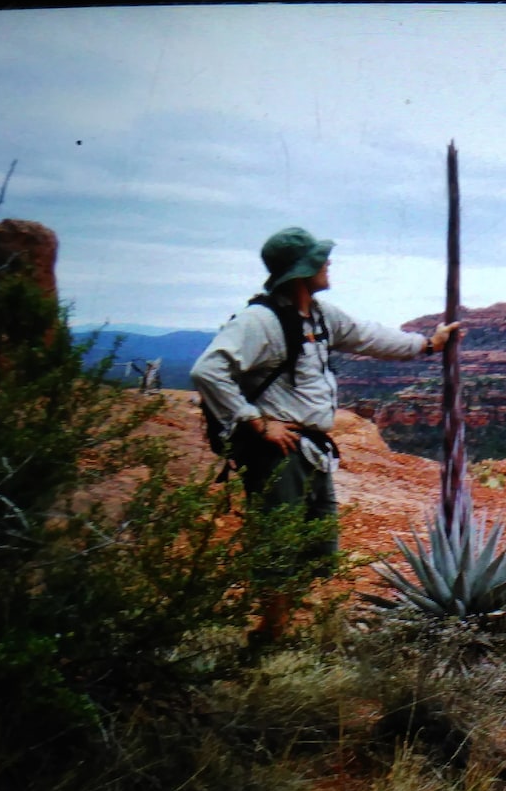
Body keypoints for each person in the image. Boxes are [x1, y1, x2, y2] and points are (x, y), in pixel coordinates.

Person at [191, 226, 458, 640]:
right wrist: (256, 421)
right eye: (320, 260)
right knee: (278, 544)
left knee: (314, 544)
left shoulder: (320, 316)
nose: (328, 264)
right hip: (279, 450)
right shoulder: (259, 321)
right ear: (301, 270)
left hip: (309, 448)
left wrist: (426, 345)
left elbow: (369, 336)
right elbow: (208, 371)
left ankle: (280, 628)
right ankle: (272, 635)